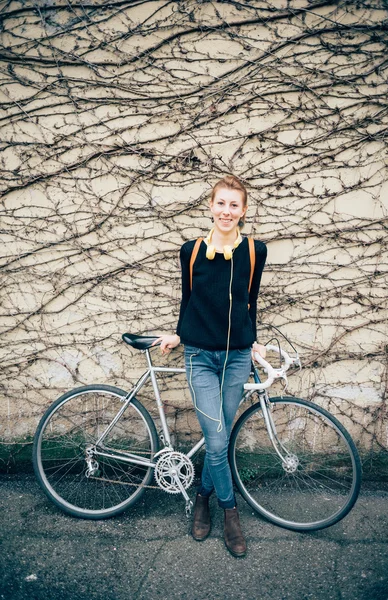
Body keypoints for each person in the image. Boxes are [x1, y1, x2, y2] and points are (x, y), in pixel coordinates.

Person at [153, 175, 267, 557]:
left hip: (236, 357)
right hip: (200, 356)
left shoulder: (255, 252)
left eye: (235, 205)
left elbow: (250, 301)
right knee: (217, 441)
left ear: (244, 211)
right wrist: (178, 334)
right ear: (210, 206)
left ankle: (202, 496)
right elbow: (189, 299)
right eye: (221, 203)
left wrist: (253, 342)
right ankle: (229, 513)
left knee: (217, 442)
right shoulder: (191, 250)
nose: (227, 211)